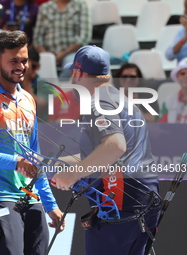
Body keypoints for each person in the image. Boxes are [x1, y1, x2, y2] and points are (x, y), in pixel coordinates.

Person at [0, 30, 64, 255]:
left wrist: (50, 203)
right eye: (13, 61)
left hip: (29, 196)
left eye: (24, 60)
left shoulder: (27, 99)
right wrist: (15, 161)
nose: (21, 66)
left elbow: (35, 157)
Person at [48, 45, 160, 255]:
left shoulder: (100, 101)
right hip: (139, 202)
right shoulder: (120, 99)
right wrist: (50, 164)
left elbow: (115, 146)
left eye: (73, 71)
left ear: (78, 73)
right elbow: (103, 157)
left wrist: (71, 174)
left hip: (119, 204)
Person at [33, 0, 92, 78]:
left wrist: (64, 53)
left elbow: (84, 37)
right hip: (48, 53)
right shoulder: (45, 7)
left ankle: (61, 89)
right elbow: (37, 38)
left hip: (73, 52)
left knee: (71, 66)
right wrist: (46, 55)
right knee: (33, 67)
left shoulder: (80, 5)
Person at [158, 57, 187, 123]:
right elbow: (162, 125)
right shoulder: (169, 101)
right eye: (182, 74)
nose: (185, 76)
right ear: (177, 77)